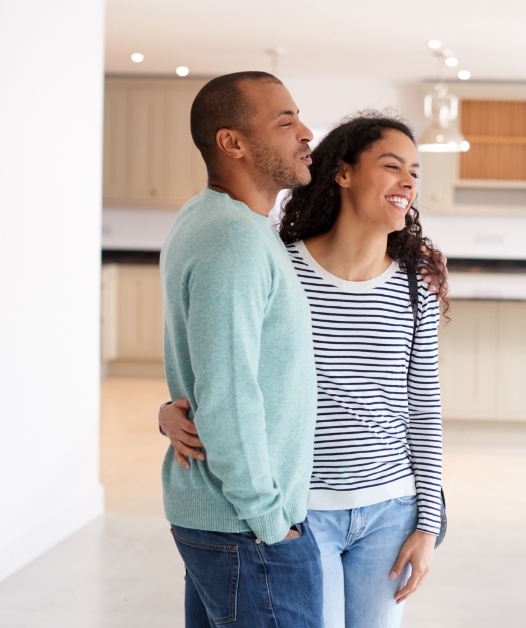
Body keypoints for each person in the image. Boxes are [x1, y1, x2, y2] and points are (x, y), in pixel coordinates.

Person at [161, 111, 446, 628]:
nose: (408, 181)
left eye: (415, 171)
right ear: (343, 173)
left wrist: (429, 525)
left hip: (389, 508)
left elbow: (423, 410)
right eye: (391, 165)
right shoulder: (279, 264)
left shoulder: (414, 288)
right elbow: (223, 361)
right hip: (300, 508)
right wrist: (169, 410)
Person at [160, 71, 323, 627]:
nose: (306, 133)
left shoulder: (216, 221)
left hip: (226, 521)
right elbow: (228, 391)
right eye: (285, 121)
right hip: (247, 526)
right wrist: (271, 520)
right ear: (232, 142)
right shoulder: (232, 238)